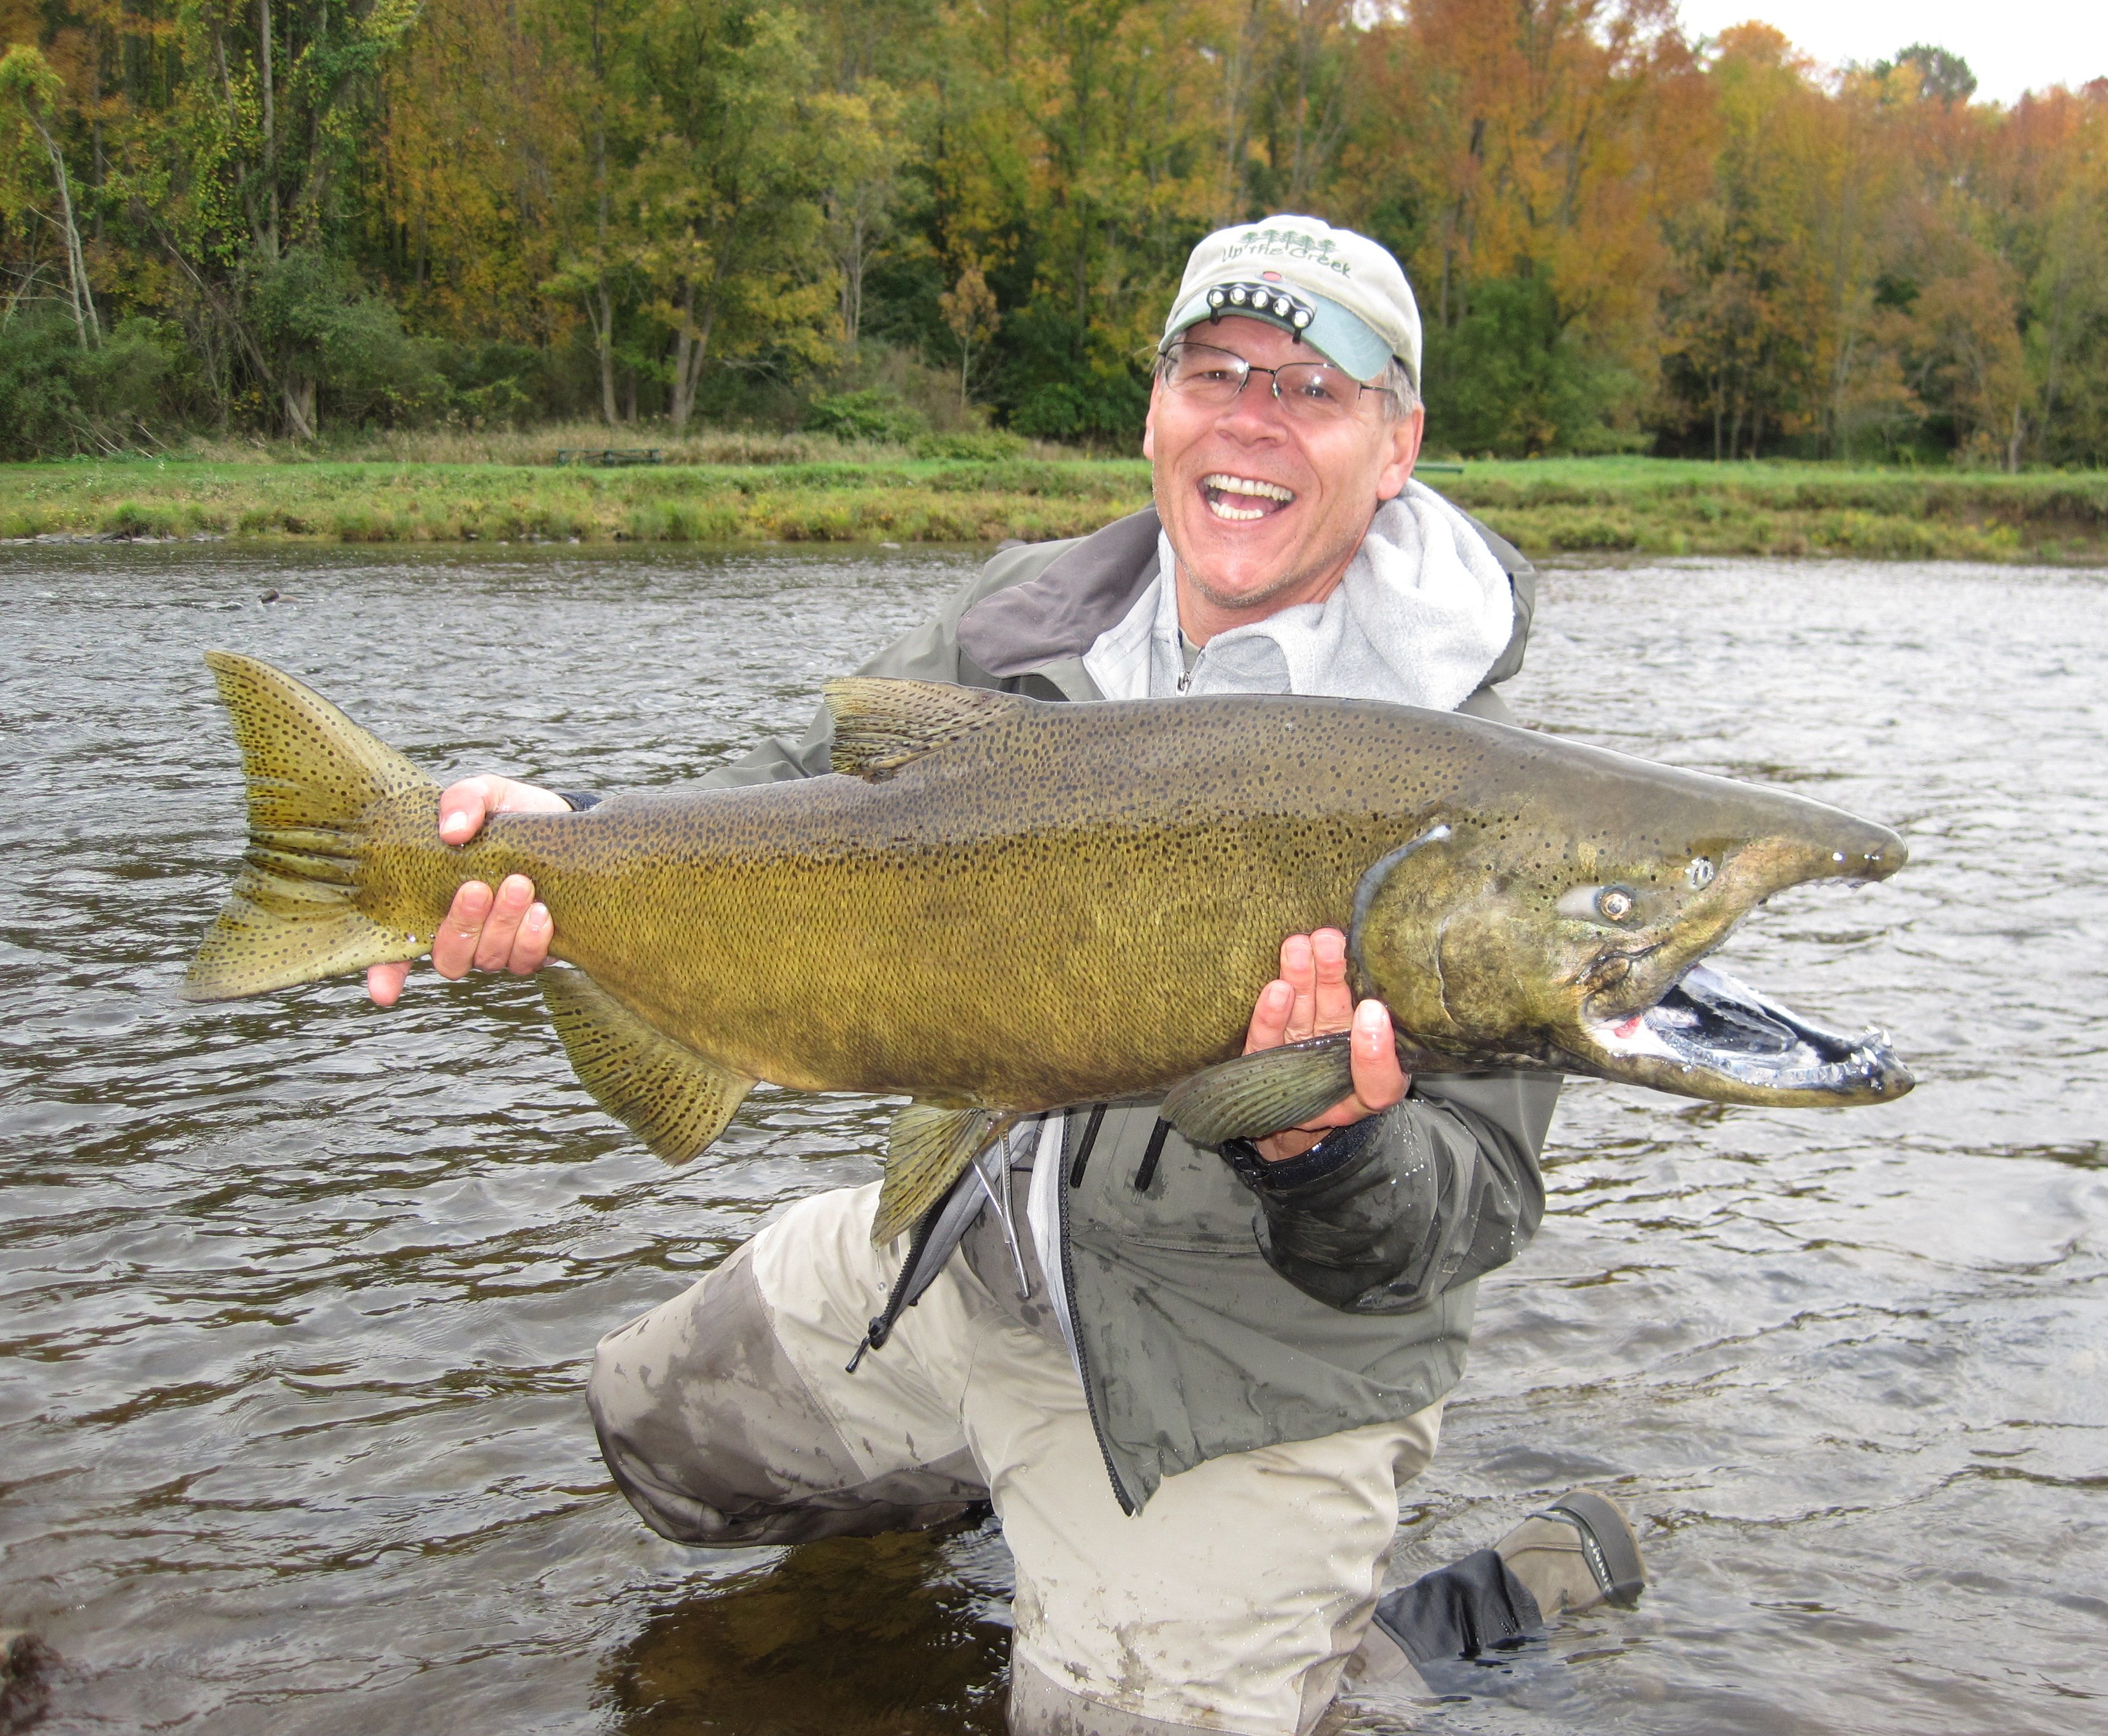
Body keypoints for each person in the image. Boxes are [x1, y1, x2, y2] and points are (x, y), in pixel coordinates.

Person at [367, 216, 1645, 1735]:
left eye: (1312, 389)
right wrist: (561, 842)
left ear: (1398, 445)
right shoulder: (1029, 614)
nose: (1251, 420)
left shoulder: (1480, 804)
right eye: (1214, 373)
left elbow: (1460, 1218)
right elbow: (782, 808)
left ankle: (1405, 1644)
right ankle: (1008, 1514)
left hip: (1236, 1371)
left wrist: (1323, 1145)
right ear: (1155, 410)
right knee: (655, 1432)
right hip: (974, 1250)